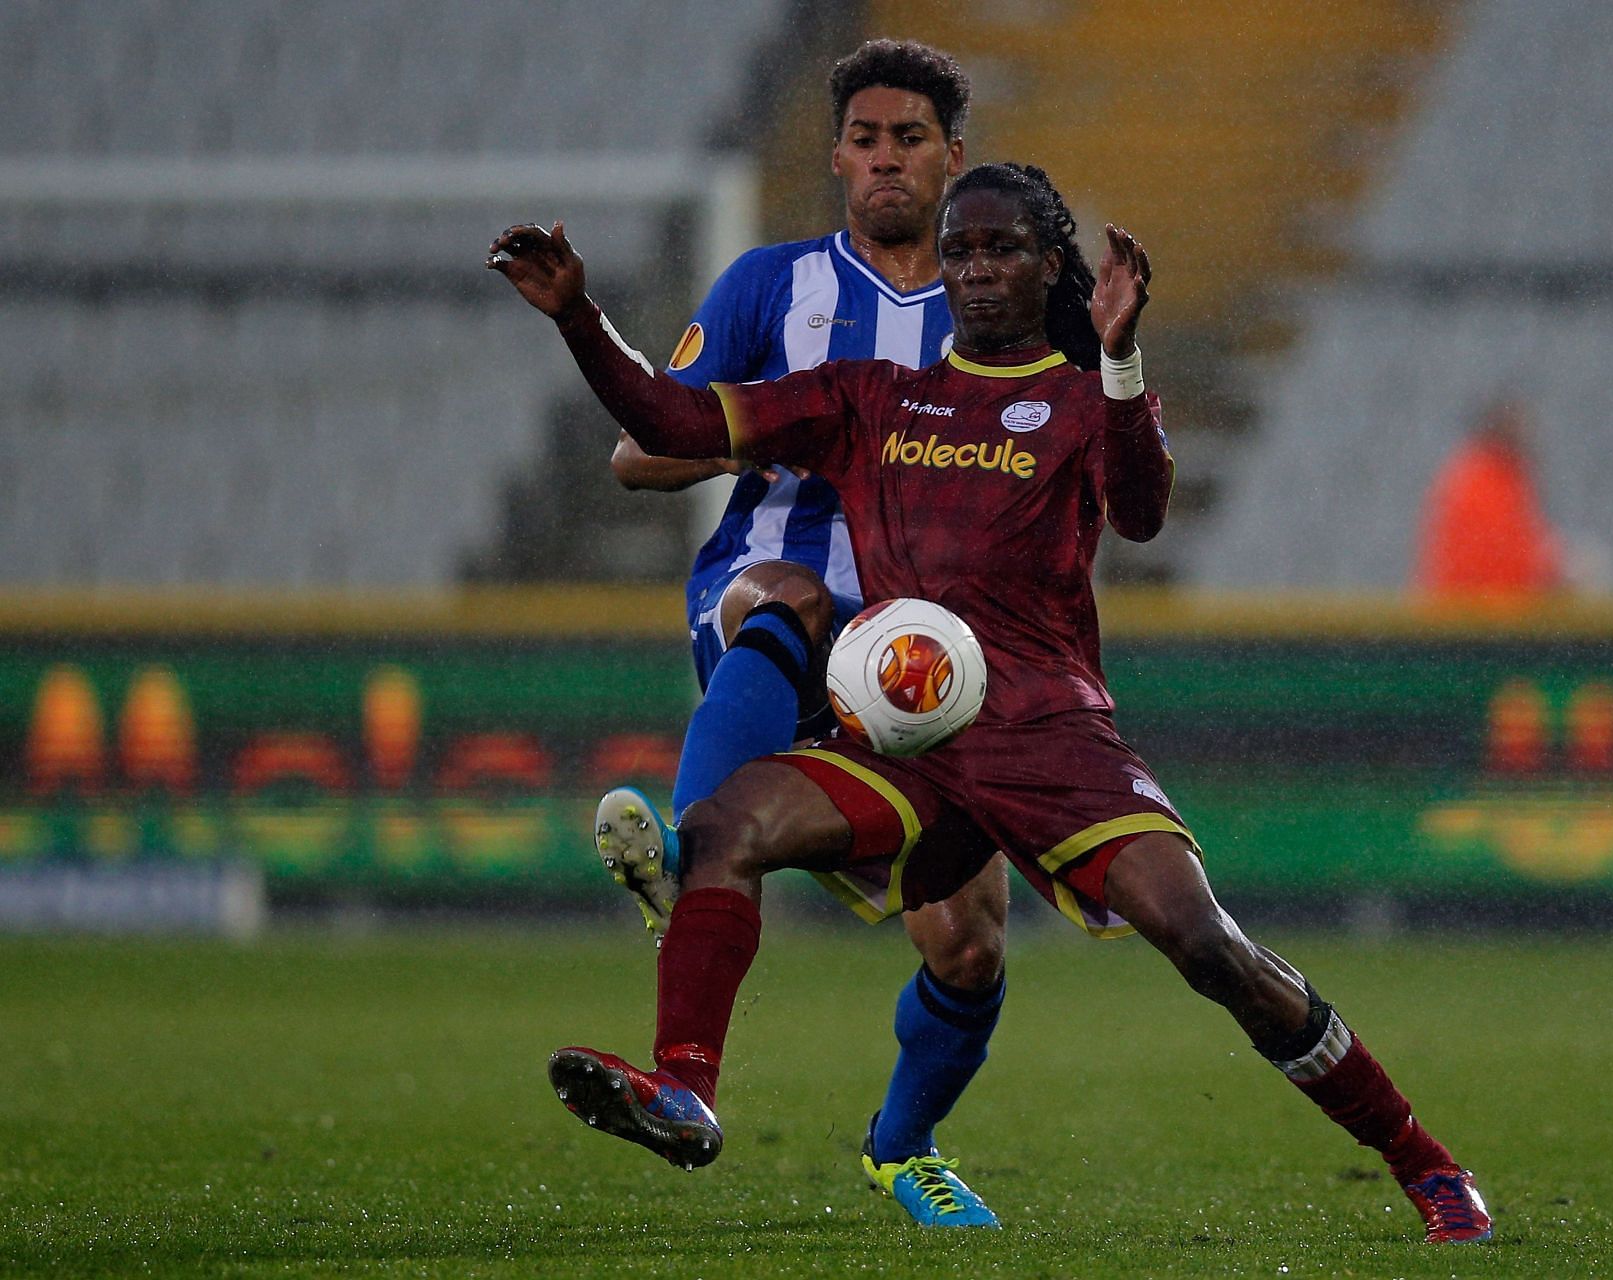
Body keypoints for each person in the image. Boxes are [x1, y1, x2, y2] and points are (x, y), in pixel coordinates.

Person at [493, 163, 1493, 1245]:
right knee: (726, 823)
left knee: (1210, 947)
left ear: (1050, 265)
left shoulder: (1079, 397)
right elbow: (670, 415)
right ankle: (685, 1088)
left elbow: (1146, 511)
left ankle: (1427, 1162)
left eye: (1002, 247)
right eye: (961, 249)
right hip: (907, 736)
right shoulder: (868, 395)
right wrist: (580, 318)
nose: (975, 268)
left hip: (1047, 733)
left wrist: (1118, 359)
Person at [488, 40, 1006, 1228]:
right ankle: (683, 1018)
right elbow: (637, 453)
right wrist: (775, 434)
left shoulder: (1002, 307)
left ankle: (902, 1146)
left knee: (968, 945)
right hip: (768, 613)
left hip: (923, 654)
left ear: (951, 159)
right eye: (866, 140)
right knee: (779, 591)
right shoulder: (771, 289)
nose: (885, 160)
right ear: (836, 155)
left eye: (910, 140)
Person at [1415, 397, 1563, 599]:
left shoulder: (1484, 477)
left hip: (1468, 611)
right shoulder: (1486, 484)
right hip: (1481, 616)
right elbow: (1500, 562)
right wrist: (1552, 570)